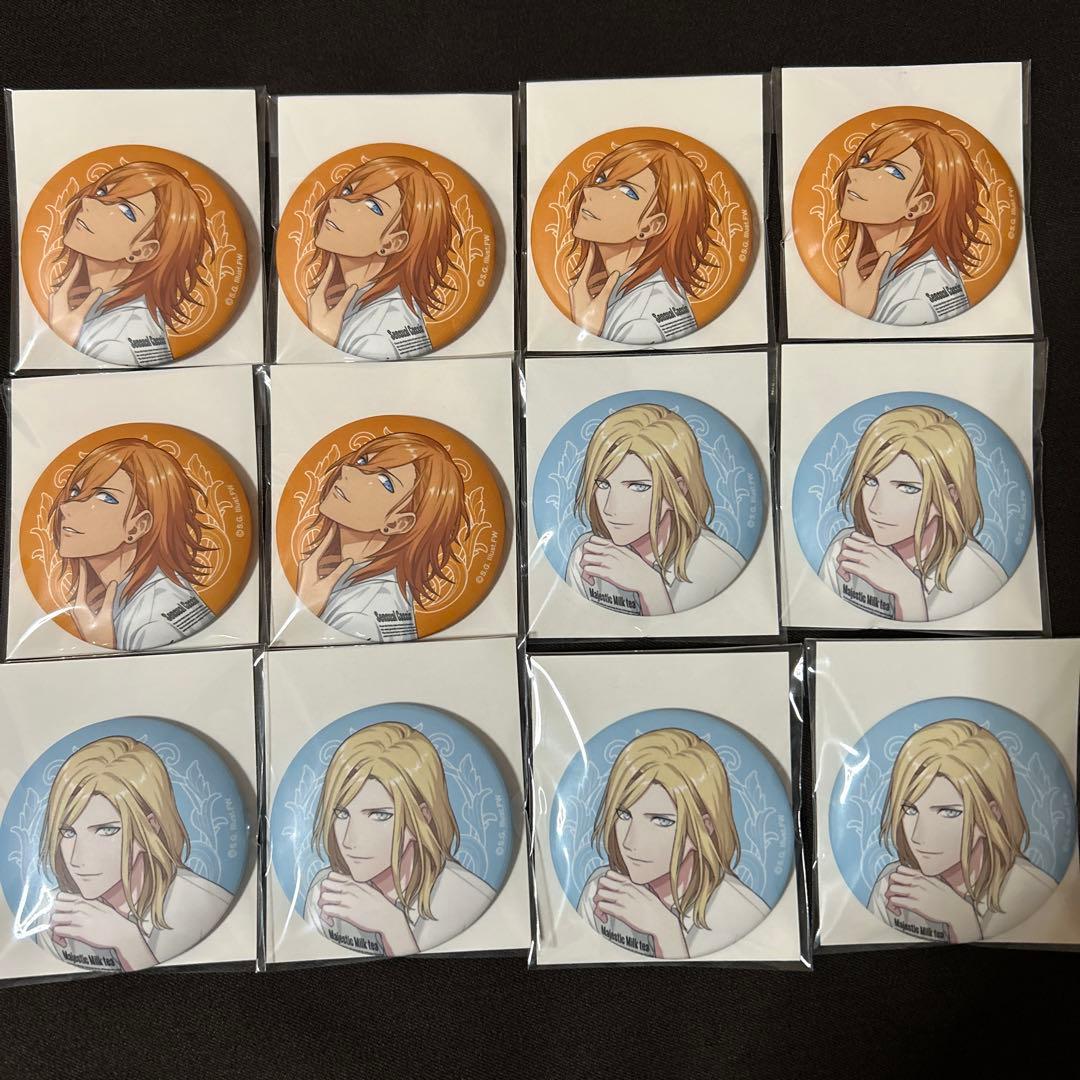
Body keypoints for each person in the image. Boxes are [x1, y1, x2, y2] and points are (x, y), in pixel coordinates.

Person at [31, 736, 233, 972]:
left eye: (106, 830)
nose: (77, 859)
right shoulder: (51, 917)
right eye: (68, 832)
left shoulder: (205, 905)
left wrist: (128, 944)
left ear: (151, 827)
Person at [304, 722, 495, 956]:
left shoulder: (468, 899)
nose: (349, 841)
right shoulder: (325, 893)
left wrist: (393, 928)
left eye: (379, 815)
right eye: (342, 813)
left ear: (421, 819)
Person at [577, 728, 770, 959]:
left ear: (704, 828)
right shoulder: (600, 892)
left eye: (661, 821)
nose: (630, 842)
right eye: (624, 814)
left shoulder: (744, 916)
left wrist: (667, 935)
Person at [868, 719, 1057, 943]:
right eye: (910, 810)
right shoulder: (892, 886)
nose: (918, 837)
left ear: (991, 815)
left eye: (948, 812)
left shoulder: (1033, 893)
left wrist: (964, 923)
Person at [818, 405, 1007, 621]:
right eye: (871, 481)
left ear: (948, 496)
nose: (876, 507)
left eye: (907, 488)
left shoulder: (980, 576)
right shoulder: (844, 551)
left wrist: (908, 593)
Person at [564, 404, 745, 616]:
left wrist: (651, 591)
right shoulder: (587, 555)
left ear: (678, 490)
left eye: (638, 487)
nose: (611, 508)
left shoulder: (721, 565)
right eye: (603, 484)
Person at [295, 432, 469, 643]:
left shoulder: (360, 615)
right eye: (362, 461)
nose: (349, 471)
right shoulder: (358, 578)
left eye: (385, 481)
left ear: (397, 523)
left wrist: (304, 610)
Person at [48, 438, 215, 650]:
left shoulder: (153, 625)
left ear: (137, 526)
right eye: (75, 492)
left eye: (105, 497)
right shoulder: (125, 595)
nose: (67, 508)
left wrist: (104, 646)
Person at [46, 160, 214, 365]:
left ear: (142, 250)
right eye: (101, 193)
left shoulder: (120, 338)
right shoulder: (93, 302)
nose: (89, 203)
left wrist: (63, 338)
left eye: (126, 210)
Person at [303, 156, 462, 360]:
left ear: (392, 243)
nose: (335, 203)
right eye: (347, 192)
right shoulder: (357, 300)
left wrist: (323, 340)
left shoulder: (375, 337)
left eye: (372, 206)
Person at [563, 139, 721, 344]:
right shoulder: (631, 289)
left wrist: (587, 328)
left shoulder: (641, 321)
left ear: (650, 226)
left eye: (627, 191)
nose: (590, 192)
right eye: (601, 179)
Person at [832, 118, 987, 325]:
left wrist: (855, 313)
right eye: (864, 160)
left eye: (893, 171)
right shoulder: (899, 266)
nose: (854, 173)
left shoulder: (915, 301)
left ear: (918, 206)